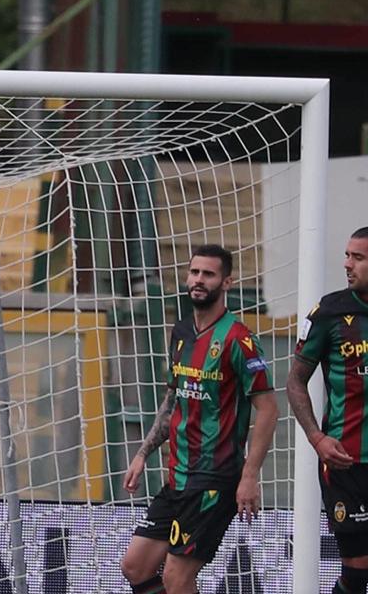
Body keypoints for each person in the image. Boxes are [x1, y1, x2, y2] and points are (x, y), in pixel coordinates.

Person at [120, 245, 279, 594]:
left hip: (214, 478)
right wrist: (143, 453)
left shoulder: (239, 339)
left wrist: (250, 477)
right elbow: (173, 398)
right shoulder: (180, 333)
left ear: (226, 282)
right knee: (136, 566)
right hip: (177, 476)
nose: (198, 280)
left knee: (177, 578)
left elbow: (268, 408)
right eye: (194, 273)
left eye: (208, 274)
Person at [286, 224, 368, 594]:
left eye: (357, 257)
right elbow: (295, 381)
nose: (347, 264)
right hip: (345, 460)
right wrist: (317, 438)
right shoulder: (328, 312)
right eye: (346, 255)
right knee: (358, 568)